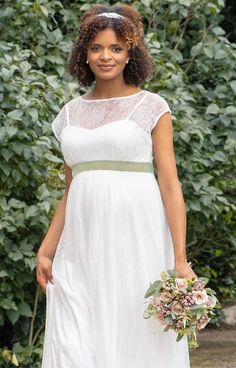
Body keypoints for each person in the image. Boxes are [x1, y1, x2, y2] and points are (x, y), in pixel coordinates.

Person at [36, 4, 197, 367]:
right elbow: (70, 190)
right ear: (85, 54)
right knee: (75, 332)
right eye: (97, 48)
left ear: (130, 53)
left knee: (135, 328)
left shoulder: (151, 107)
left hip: (136, 236)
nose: (105, 56)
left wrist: (180, 260)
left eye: (116, 48)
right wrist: (46, 250)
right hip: (80, 242)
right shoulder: (69, 114)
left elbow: (170, 186)